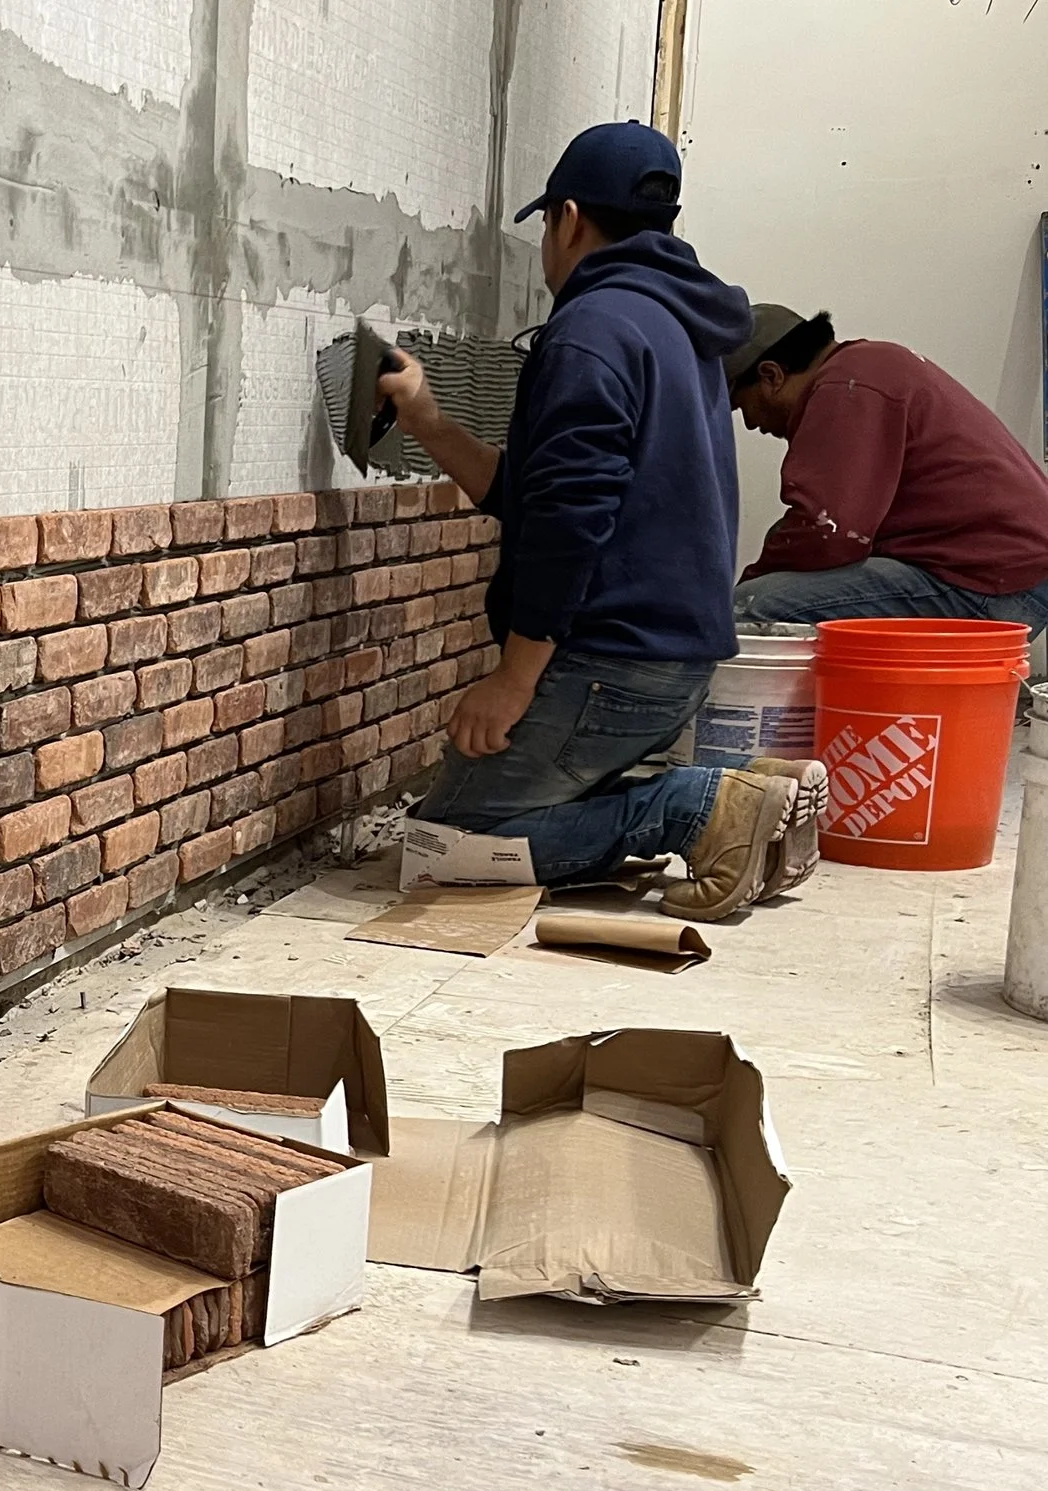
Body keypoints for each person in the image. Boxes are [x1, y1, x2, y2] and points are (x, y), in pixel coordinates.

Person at [383, 122, 817, 917]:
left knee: (446, 843)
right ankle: (751, 798)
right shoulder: (677, 325)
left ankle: (699, 809)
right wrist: (429, 423)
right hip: (673, 662)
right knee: (522, 807)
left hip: (608, 665)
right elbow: (537, 490)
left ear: (569, 218)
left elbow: (567, 519)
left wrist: (514, 679)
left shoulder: (591, 329)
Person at [727, 305, 1048, 649]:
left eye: (742, 404)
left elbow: (829, 533)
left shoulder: (845, 386)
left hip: (986, 583)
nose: (750, 423)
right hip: (1006, 571)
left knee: (745, 610)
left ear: (771, 375)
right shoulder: (872, 365)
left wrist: (743, 586)